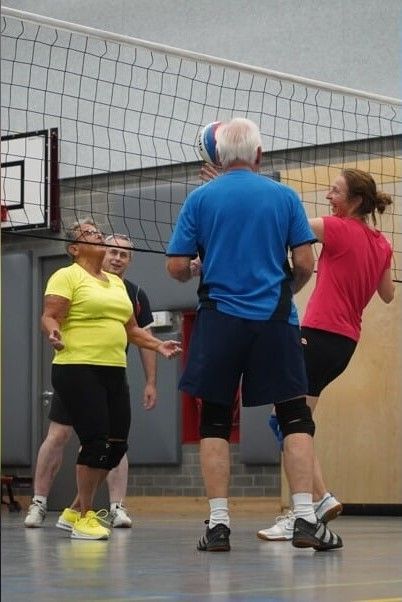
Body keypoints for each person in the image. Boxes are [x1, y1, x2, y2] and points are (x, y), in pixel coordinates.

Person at [166, 117, 342, 552]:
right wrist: (286, 293)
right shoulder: (284, 196)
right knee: (295, 416)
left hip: (219, 320)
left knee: (214, 420)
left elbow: (175, 266)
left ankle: (219, 525)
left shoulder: (200, 198)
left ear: (219, 157)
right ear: (259, 155)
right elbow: (304, 263)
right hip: (274, 321)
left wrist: (192, 268)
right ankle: (305, 517)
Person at [257, 168, 395, 540]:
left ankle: (311, 504)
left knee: (287, 421)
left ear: (355, 201)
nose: (328, 197)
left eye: (334, 192)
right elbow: (387, 295)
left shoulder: (337, 228)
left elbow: (292, 219)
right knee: (291, 420)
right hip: (345, 344)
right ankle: (310, 504)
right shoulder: (383, 243)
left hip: (317, 334)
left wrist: (247, 181)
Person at [38, 219, 181, 540]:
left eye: (98, 233)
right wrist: (53, 331)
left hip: (112, 370)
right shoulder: (66, 275)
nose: (98, 236)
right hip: (76, 368)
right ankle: (85, 517)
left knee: (116, 446)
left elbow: (131, 329)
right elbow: (49, 315)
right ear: (75, 249)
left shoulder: (116, 285)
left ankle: (74, 510)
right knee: (95, 442)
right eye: (90, 235)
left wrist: (158, 344)